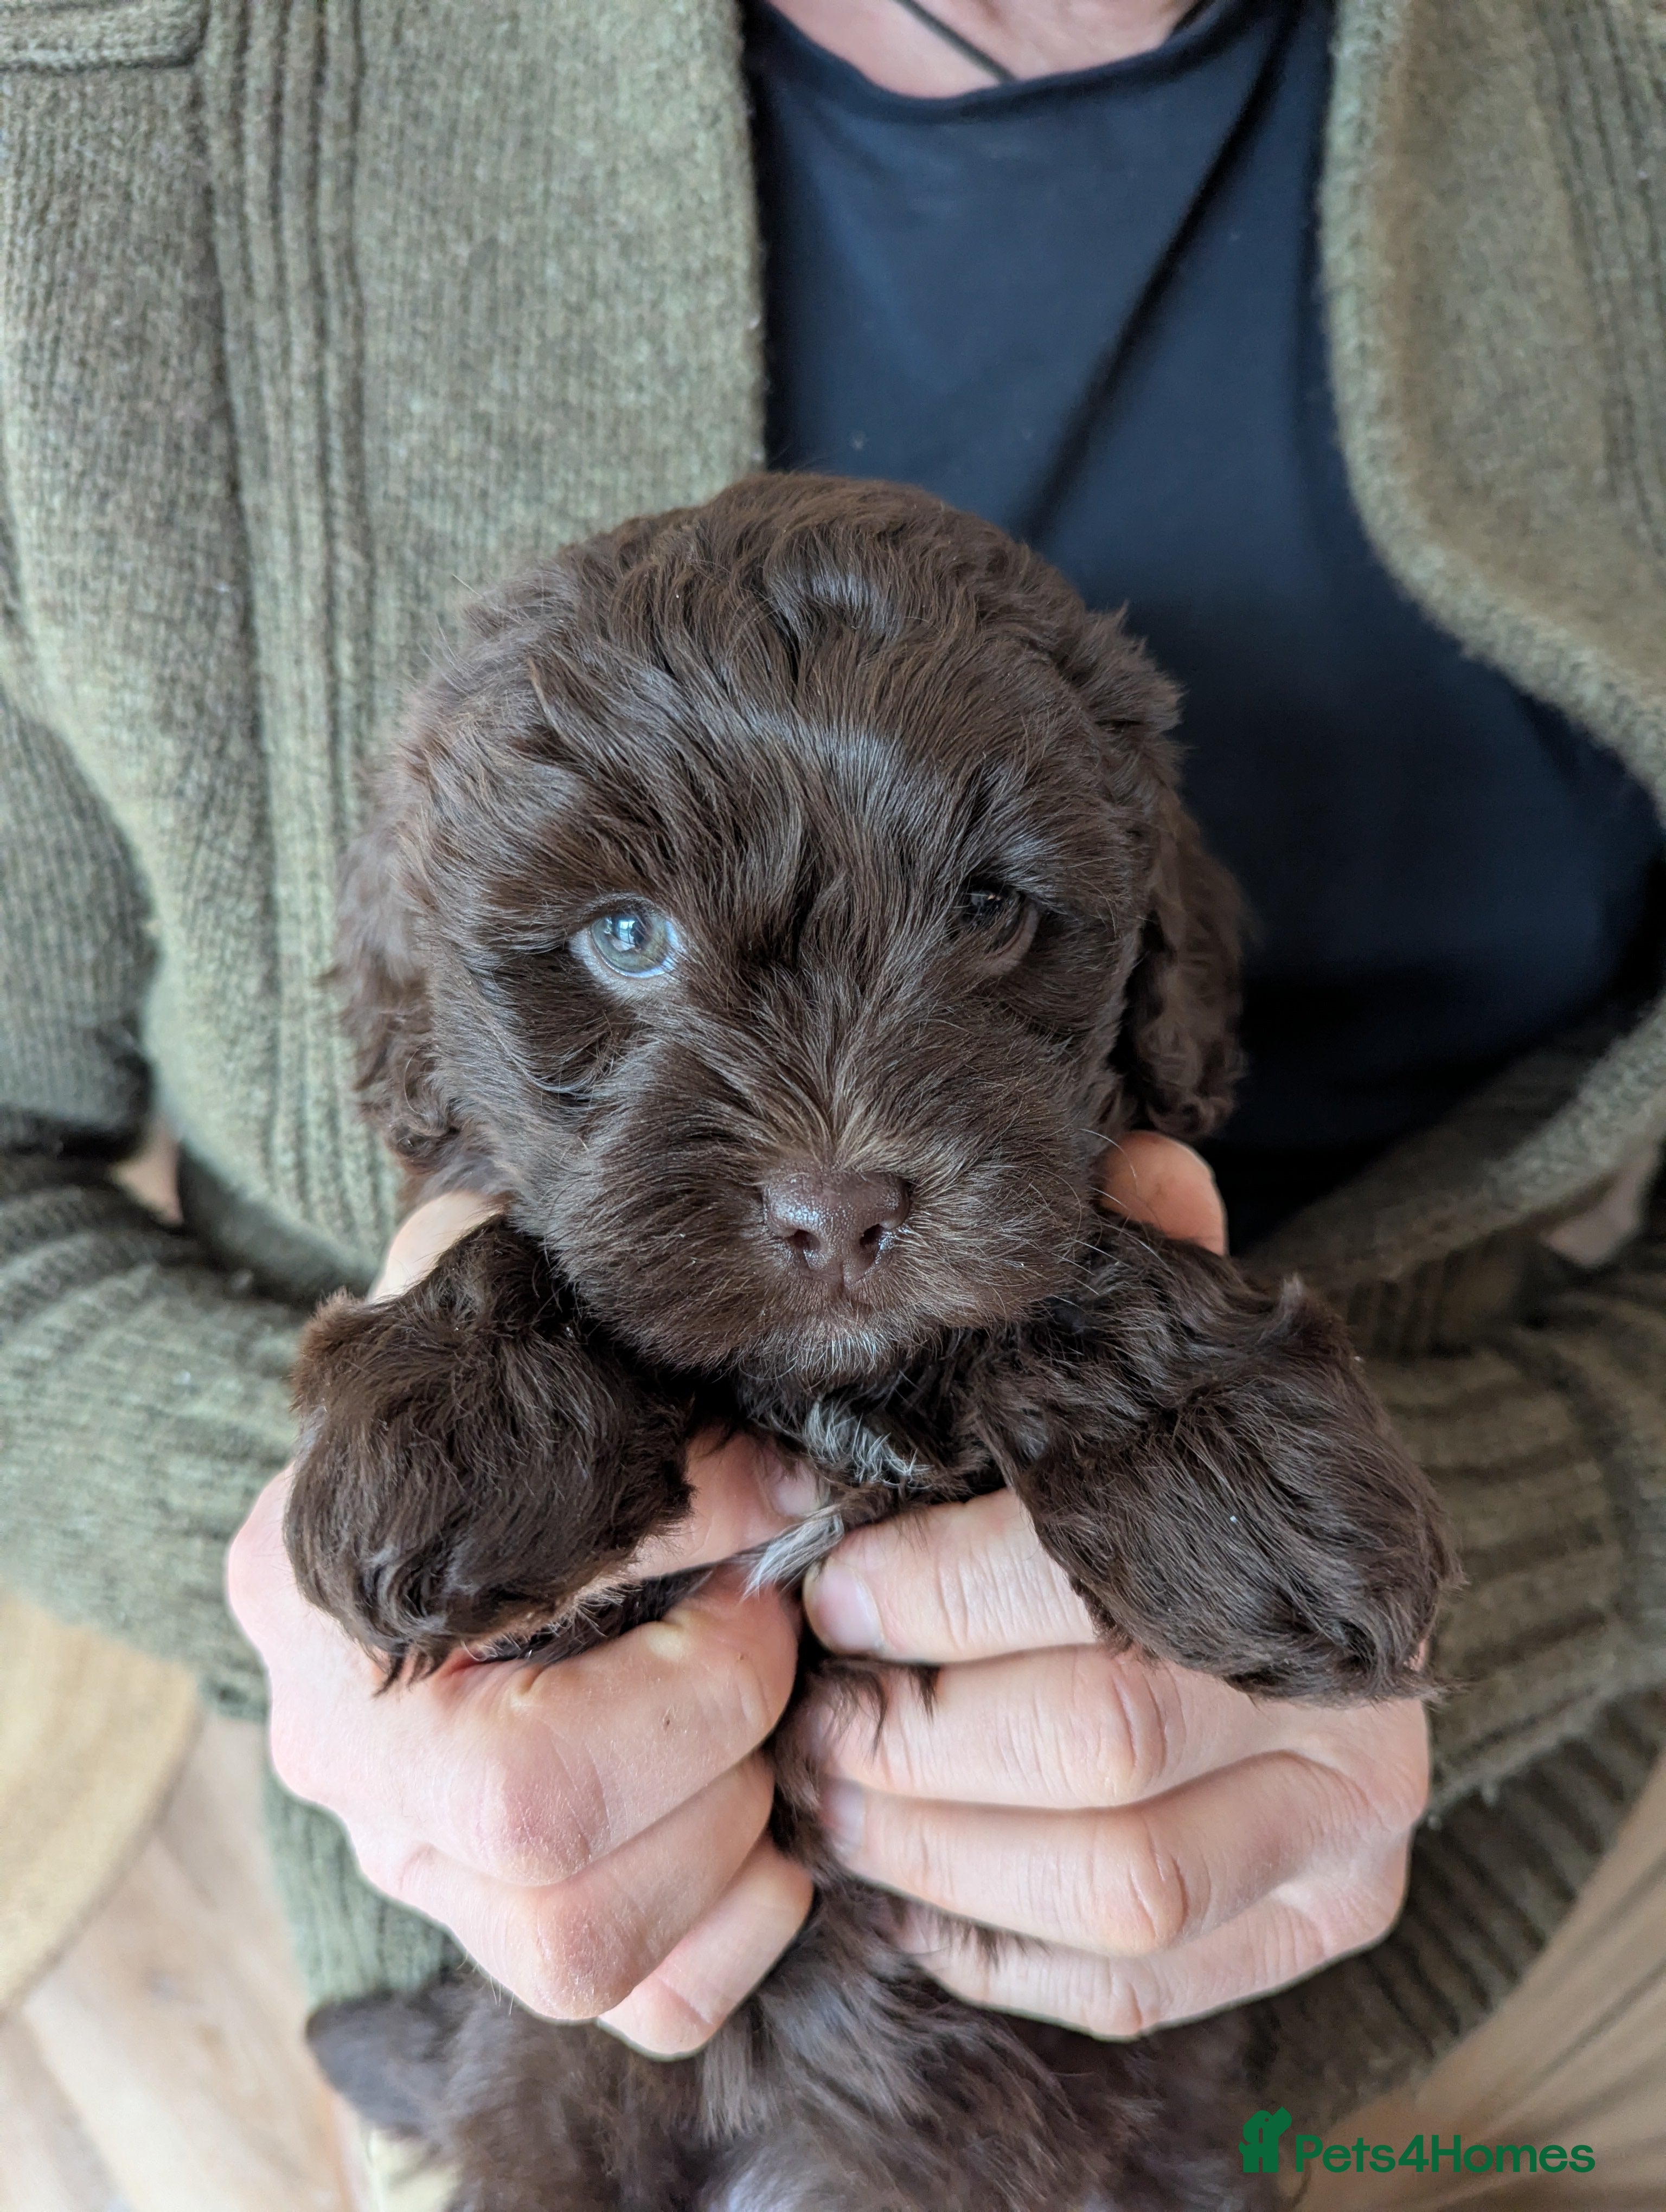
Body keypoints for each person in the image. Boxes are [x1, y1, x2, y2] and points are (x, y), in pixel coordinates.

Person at [2, 0, 1663, 2202]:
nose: (837, 1159)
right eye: (626, 953)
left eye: (991, 919)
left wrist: (1519, 1551)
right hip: (548, 1974)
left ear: (1155, 952)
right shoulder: (71, 99)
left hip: (1514, 1870)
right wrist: (331, 1593)